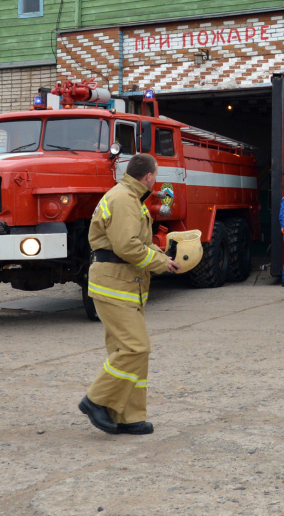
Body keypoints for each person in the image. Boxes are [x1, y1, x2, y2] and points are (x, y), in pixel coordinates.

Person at [78, 153, 180, 436]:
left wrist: (160, 252)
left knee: (126, 352)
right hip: (115, 285)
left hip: (123, 283)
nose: (156, 179)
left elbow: (136, 242)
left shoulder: (130, 197)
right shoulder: (124, 199)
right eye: (155, 175)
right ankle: (96, 400)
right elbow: (126, 247)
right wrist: (161, 263)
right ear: (148, 177)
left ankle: (127, 416)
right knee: (137, 348)